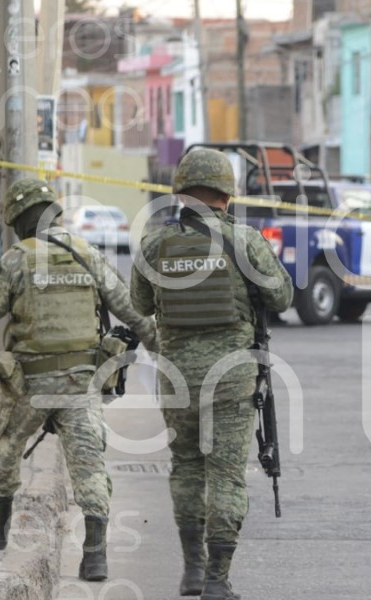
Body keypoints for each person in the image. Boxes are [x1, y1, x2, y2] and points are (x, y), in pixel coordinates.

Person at [131, 148, 294, 600]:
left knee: (186, 466)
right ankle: (217, 581)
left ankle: (191, 571)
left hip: (177, 376)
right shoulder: (244, 240)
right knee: (225, 475)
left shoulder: (153, 243)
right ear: (226, 191)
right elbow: (282, 297)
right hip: (232, 377)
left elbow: (140, 304)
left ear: (182, 191)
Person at [0, 179, 157, 581]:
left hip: (29, 386)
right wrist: (158, 341)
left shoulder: (17, 258)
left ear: (20, 223)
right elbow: (127, 307)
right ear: (55, 214)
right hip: (80, 383)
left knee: (6, 446)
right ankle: (95, 558)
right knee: (89, 465)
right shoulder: (86, 252)